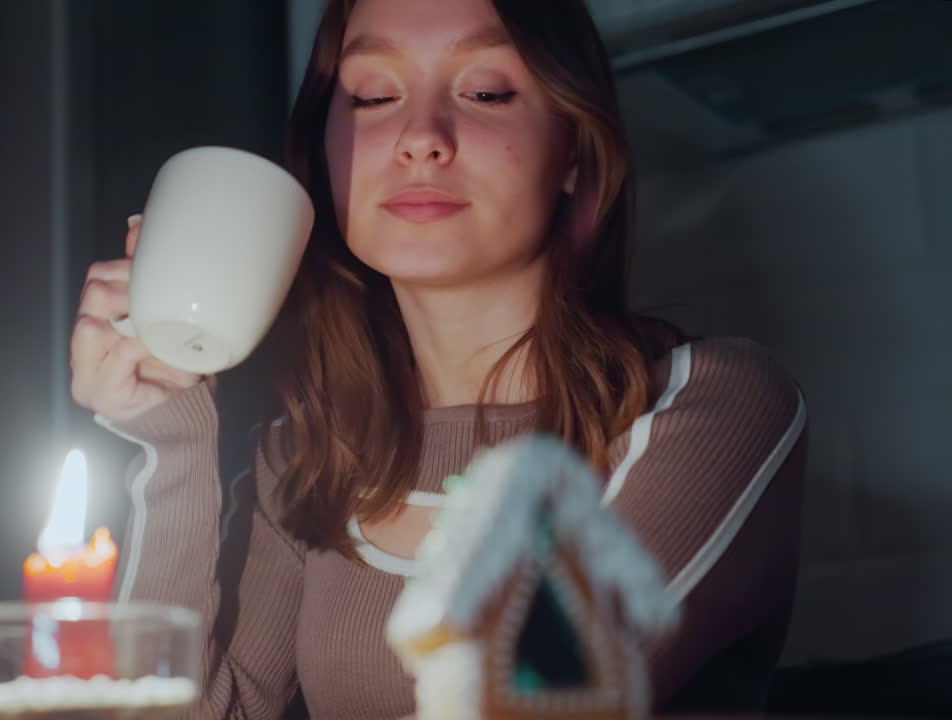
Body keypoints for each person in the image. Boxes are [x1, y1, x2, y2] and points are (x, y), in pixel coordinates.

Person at [70, 0, 808, 718]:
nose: (420, 137)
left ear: (574, 154)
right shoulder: (306, 462)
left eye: (486, 92)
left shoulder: (708, 406)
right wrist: (167, 431)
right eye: (373, 95)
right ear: (323, 157)